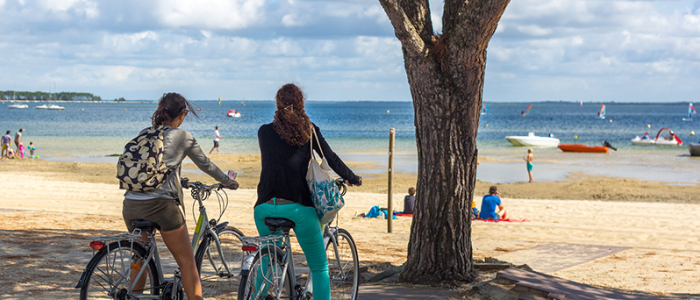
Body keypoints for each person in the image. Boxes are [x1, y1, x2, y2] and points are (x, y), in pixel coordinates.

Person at [122, 93, 238, 300]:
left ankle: (133, 295)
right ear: (182, 114)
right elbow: (206, 165)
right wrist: (228, 181)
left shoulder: (144, 133)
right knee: (186, 261)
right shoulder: (182, 136)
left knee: (140, 258)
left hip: (131, 203)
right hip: (161, 207)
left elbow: (152, 168)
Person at [254, 83, 362, 300]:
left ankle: (254, 295)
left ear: (277, 104)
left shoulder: (264, 132)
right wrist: (353, 178)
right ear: (301, 104)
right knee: (319, 267)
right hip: (298, 209)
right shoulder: (309, 131)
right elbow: (330, 158)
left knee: (267, 262)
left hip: (264, 208)